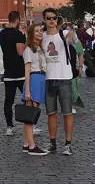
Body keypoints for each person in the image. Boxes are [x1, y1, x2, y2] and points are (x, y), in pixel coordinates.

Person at [42, 18, 80, 156]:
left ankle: (68, 144)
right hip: (49, 78)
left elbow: (74, 39)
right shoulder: (42, 36)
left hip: (64, 78)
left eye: (54, 18)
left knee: (67, 113)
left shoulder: (64, 33)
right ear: (44, 20)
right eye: (48, 18)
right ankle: (52, 143)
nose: (51, 20)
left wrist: (72, 32)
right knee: (51, 113)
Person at [18, 22, 49, 156]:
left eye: (41, 30)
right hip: (34, 79)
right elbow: (27, 70)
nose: (40, 32)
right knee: (31, 114)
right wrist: (28, 90)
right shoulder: (29, 49)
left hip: (40, 79)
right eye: (36, 31)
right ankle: (32, 146)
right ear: (31, 34)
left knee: (30, 114)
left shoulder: (40, 48)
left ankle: (26, 144)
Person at [0, 11, 27, 135]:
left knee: (8, 101)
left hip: (8, 70)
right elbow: (20, 52)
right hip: (20, 71)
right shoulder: (18, 34)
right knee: (28, 99)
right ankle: (30, 124)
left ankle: (9, 126)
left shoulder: (2, 34)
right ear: (17, 20)